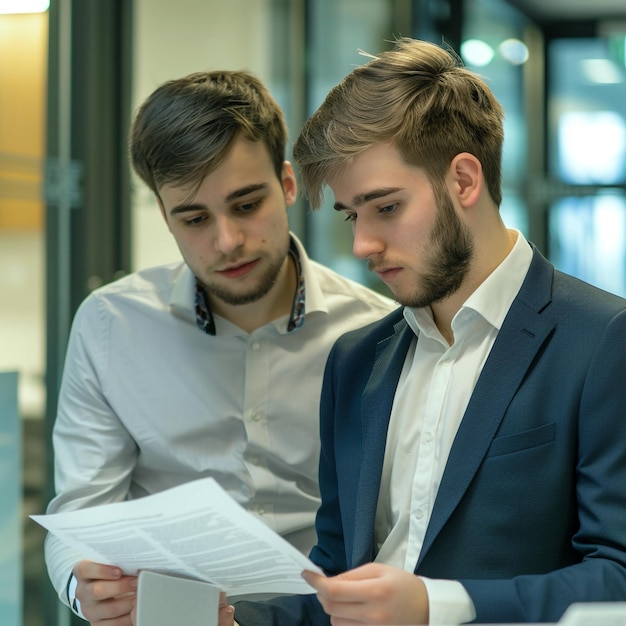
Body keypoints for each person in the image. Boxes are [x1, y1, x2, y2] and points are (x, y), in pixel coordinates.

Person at [230, 38, 626, 625]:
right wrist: (233, 618)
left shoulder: (604, 340)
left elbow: (617, 574)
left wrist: (435, 606)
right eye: (351, 215)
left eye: (385, 207)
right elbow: (339, 576)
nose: (363, 244)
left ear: (464, 180)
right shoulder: (356, 360)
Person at [43, 69, 395, 626]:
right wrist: (81, 582)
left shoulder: (379, 331)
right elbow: (83, 510)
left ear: (287, 184)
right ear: (164, 215)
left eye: (246, 204)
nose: (227, 241)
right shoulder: (111, 324)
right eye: (194, 218)